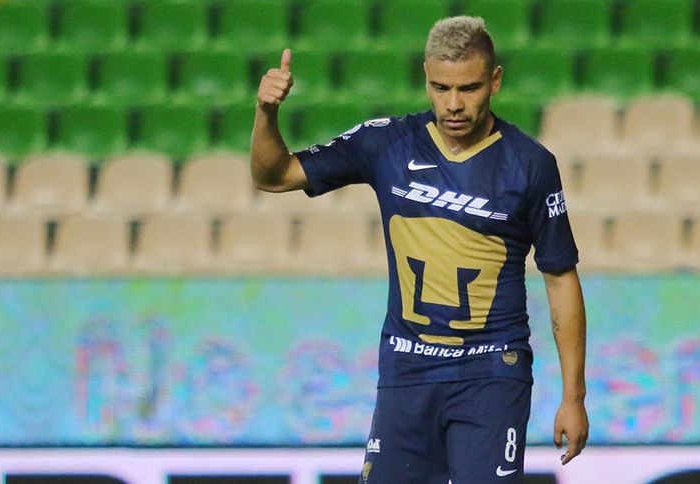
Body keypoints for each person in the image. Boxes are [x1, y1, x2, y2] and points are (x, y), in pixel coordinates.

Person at [251, 16, 588, 483]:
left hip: (491, 373)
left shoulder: (530, 165)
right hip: (407, 370)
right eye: (440, 88)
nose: (453, 104)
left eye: (469, 88)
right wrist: (266, 113)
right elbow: (273, 176)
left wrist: (573, 396)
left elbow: (560, 278)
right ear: (426, 78)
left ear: (495, 81)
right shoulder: (387, 142)